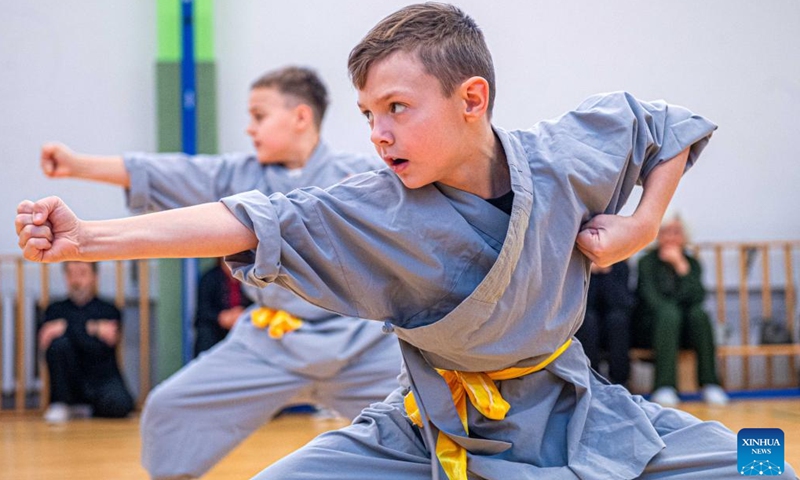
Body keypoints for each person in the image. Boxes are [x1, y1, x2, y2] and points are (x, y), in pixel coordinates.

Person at [17, 4, 796, 479]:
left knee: (764, 464)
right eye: (367, 115)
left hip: (577, 409)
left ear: (471, 99)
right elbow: (243, 217)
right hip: (430, 426)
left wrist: (643, 222)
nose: (379, 133)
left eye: (395, 108)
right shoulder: (376, 206)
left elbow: (670, 127)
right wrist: (90, 235)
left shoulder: (563, 155)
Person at [36, 66, 402, 479]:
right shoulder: (240, 175)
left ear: (301, 117)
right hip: (269, 345)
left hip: (359, 345)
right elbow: (169, 171)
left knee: (432, 411)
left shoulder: (361, 176)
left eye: (259, 116)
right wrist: (76, 165)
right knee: (169, 408)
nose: (249, 129)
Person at [634, 215, 729, 407]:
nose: (670, 237)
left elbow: (698, 298)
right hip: (651, 329)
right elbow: (651, 300)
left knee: (699, 314)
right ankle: (664, 386)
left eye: (675, 232)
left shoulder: (691, 263)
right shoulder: (646, 263)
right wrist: (676, 305)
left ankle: (710, 384)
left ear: (684, 236)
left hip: (684, 330)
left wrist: (681, 267)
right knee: (668, 313)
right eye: (665, 232)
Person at [38, 261, 134, 422]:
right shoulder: (54, 309)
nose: (76, 281)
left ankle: (85, 410)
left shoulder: (108, 309)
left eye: (82, 273)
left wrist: (66, 327)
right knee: (59, 345)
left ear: (94, 277)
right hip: (68, 381)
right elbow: (45, 340)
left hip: (101, 378)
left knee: (121, 405)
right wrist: (94, 328)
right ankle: (62, 404)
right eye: (71, 274)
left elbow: (110, 339)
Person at [574, 261, 634, 386]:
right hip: (586, 323)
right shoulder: (577, 265)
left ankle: (621, 381)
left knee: (617, 320)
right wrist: (590, 273)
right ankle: (591, 380)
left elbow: (622, 303)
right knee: (587, 319)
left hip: (612, 324)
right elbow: (580, 303)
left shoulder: (620, 266)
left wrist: (606, 273)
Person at [194, 258, 253, 357]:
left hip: (245, 325)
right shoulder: (210, 278)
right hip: (215, 329)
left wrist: (242, 314)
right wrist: (221, 317)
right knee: (206, 332)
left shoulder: (252, 279)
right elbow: (203, 310)